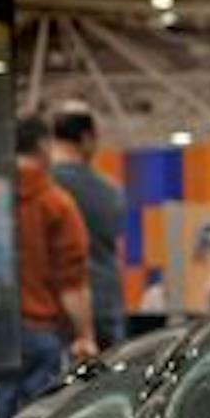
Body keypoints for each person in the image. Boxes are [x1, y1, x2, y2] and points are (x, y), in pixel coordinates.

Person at [2, 116, 96, 418]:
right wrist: (85, 335)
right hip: (41, 331)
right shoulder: (56, 204)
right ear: (43, 146)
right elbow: (72, 282)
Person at [49, 105, 127, 348]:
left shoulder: (42, 187)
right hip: (103, 306)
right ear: (86, 139)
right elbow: (117, 249)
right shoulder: (110, 191)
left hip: (54, 310)